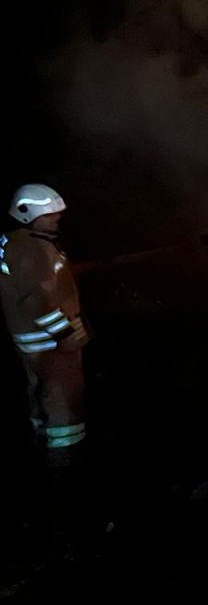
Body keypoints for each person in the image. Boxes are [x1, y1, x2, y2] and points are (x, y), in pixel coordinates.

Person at [0, 184, 91, 462]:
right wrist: (65, 334)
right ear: (27, 214)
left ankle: (42, 449)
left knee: (41, 397)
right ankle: (66, 459)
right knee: (64, 401)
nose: (57, 218)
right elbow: (38, 299)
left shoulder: (21, 242)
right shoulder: (32, 250)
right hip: (51, 345)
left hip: (35, 343)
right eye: (50, 215)